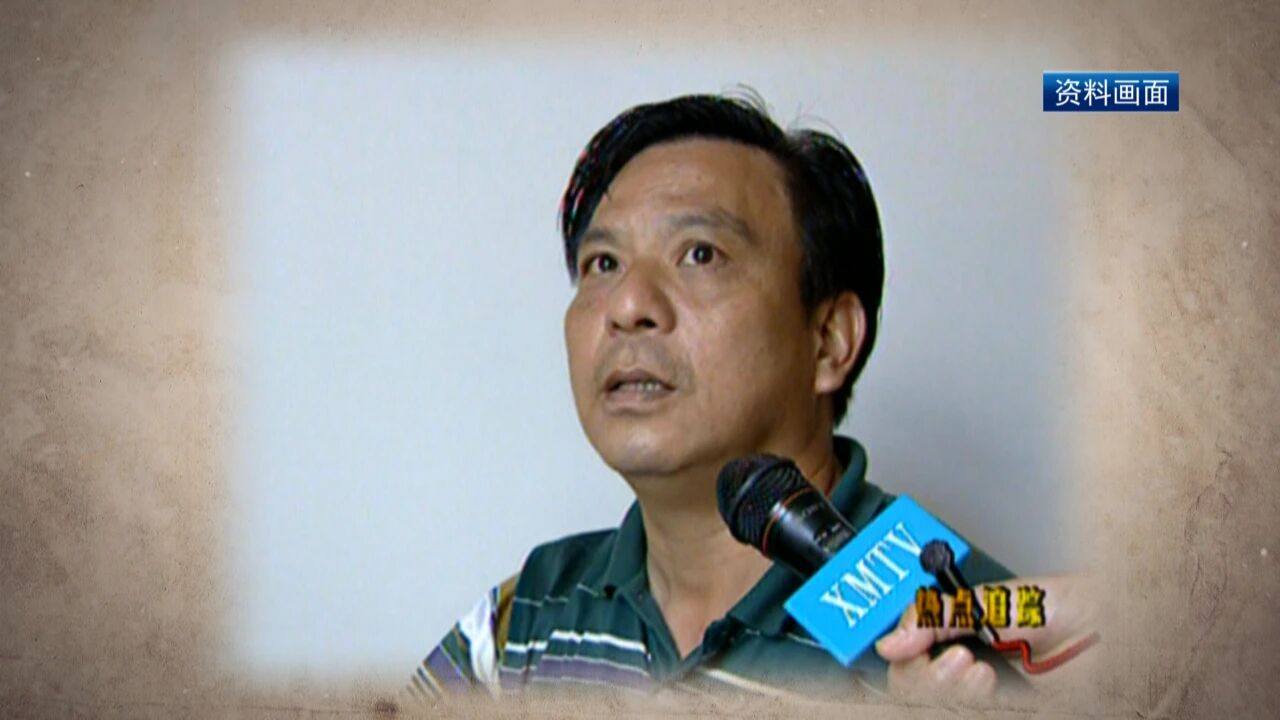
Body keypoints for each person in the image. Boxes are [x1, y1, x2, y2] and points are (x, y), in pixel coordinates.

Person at [401, 91, 1093, 707]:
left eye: (700, 254)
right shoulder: (523, 618)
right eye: (602, 264)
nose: (628, 305)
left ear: (828, 341)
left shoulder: (966, 628)